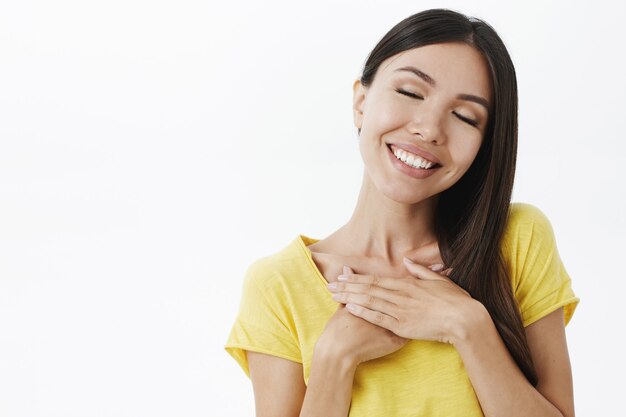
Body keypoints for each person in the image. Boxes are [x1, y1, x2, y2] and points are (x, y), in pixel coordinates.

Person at [224, 8, 579, 417]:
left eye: (465, 116)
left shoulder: (516, 239)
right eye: (410, 92)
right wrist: (334, 359)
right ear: (361, 102)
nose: (429, 129)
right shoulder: (280, 285)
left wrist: (467, 327)